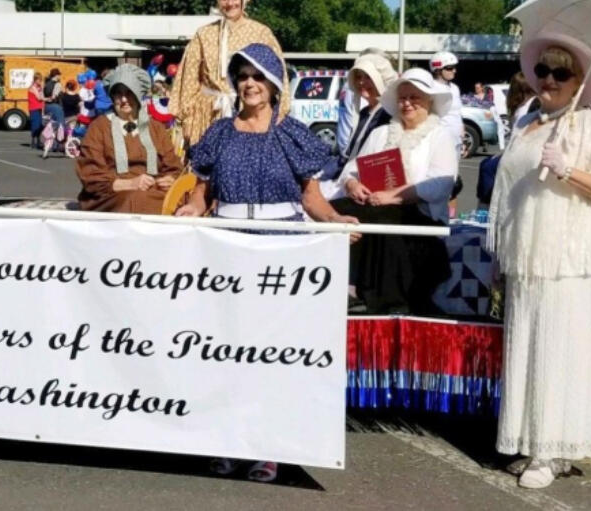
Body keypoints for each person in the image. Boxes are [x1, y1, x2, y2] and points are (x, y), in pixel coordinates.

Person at [174, 43, 356, 483]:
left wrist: (335, 220)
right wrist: (193, 209)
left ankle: (270, 444)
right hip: (228, 249)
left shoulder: (292, 133)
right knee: (227, 348)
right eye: (242, 76)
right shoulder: (219, 133)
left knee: (270, 351)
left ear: (275, 85)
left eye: (258, 76)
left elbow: (312, 198)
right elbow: (202, 191)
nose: (250, 84)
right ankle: (227, 440)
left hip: (281, 250)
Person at [487, 32, 591, 489]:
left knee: (560, 348)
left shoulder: (589, 126)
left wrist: (569, 171)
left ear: (579, 81)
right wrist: (499, 252)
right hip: (527, 254)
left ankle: (553, 450)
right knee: (528, 346)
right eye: (543, 70)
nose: (549, 79)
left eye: (561, 72)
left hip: (568, 257)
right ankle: (535, 441)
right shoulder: (528, 122)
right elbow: (507, 194)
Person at [332, 67, 457, 313]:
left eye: (414, 97)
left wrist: (396, 195)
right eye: (403, 98)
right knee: (336, 211)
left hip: (419, 215)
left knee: (386, 217)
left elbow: (442, 183)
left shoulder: (440, 136)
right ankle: (341, 284)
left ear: (428, 101)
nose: (407, 103)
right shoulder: (379, 134)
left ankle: (378, 295)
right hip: (374, 205)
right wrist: (353, 184)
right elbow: (350, 169)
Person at [169, 0, 289, 150]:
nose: (230, 3)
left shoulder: (261, 33)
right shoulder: (204, 34)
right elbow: (189, 76)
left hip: (250, 110)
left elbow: (278, 74)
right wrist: (187, 115)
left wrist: (280, 109)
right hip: (209, 114)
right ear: (218, 0)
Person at [76, 65, 182, 214]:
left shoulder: (156, 128)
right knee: (135, 200)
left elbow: (173, 166)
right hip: (110, 196)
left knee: (178, 204)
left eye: (129, 93)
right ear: (112, 97)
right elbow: (90, 173)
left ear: (138, 95)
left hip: (153, 191)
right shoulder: (99, 127)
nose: (124, 99)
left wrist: (170, 179)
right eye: (118, 94)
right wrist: (130, 183)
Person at [429, 51, 464, 149]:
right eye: (449, 68)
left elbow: (458, 114)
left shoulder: (455, 88)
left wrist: (463, 140)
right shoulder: (430, 88)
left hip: (457, 141)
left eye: (454, 67)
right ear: (437, 70)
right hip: (440, 143)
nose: (454, 71)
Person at [28, 72, 45, 149]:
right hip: (33, 108)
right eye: (39, 80)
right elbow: (39, 97)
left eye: (41, 80)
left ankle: (38, 140)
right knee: (35, 124)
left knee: (40, 124)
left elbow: (42, 96)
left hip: (39, 107)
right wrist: (47, 98)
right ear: (35, 80)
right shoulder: (32, 87)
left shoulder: (39, 87)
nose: (40, 82)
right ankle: (33, 141)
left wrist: (41, 89)